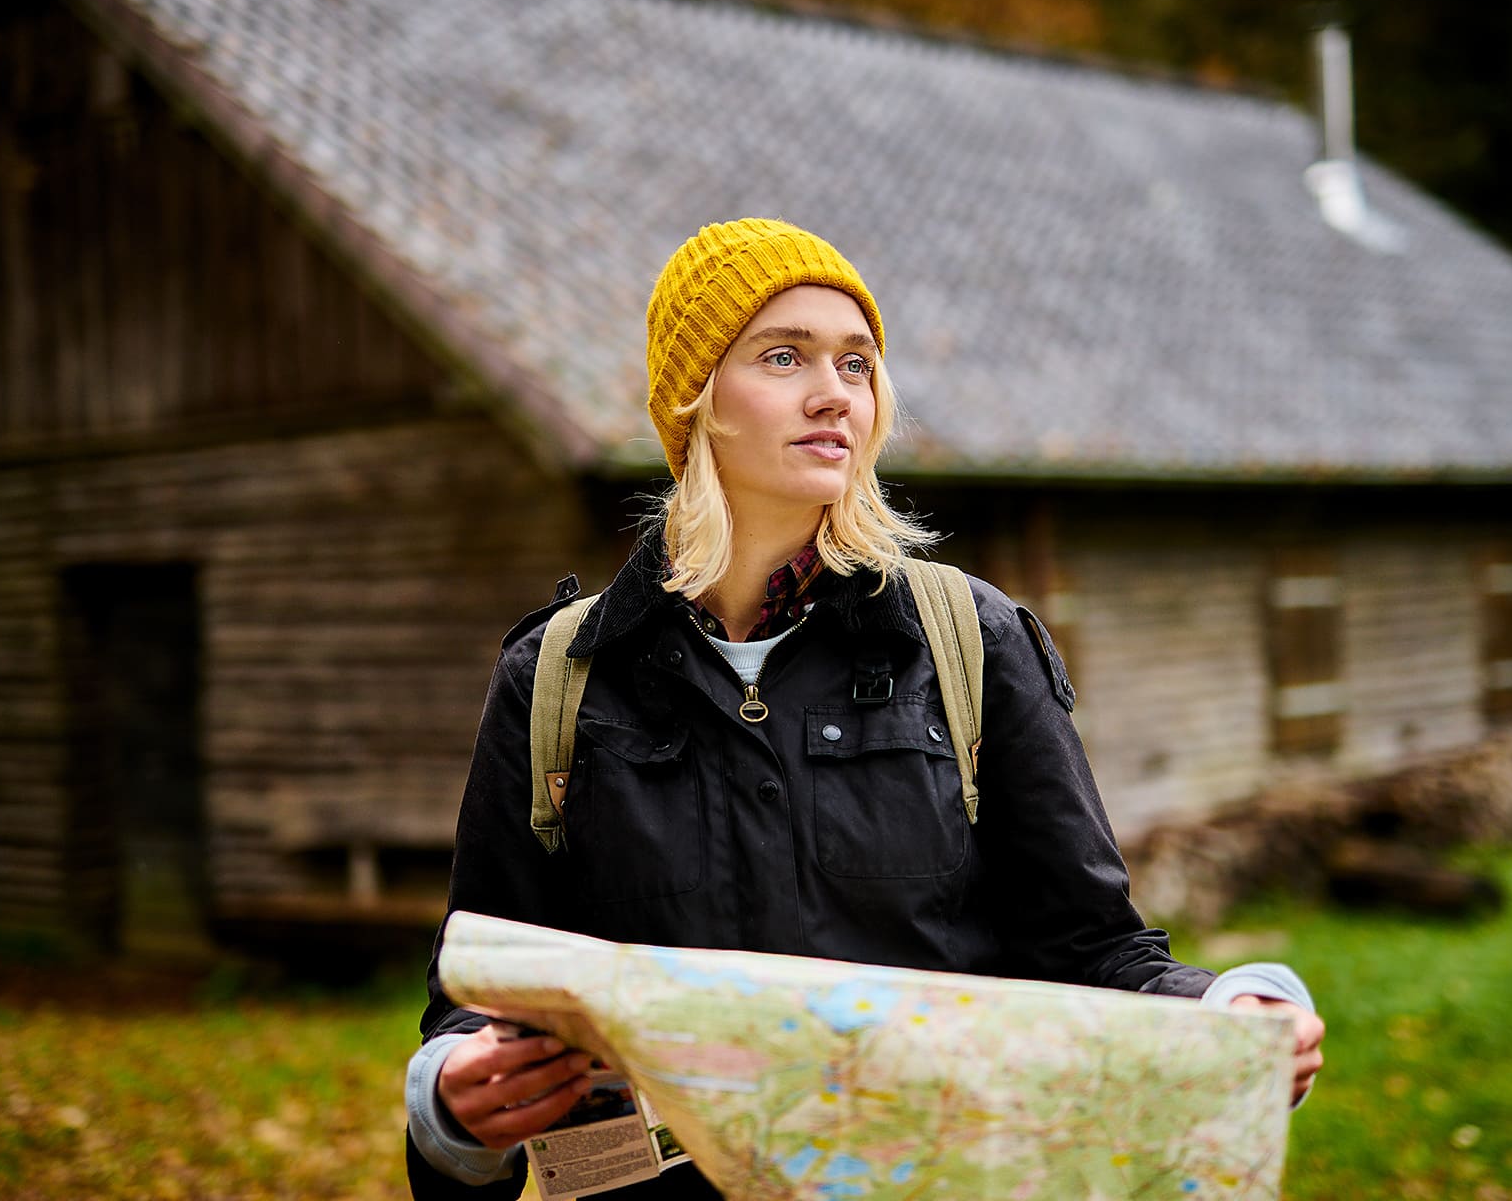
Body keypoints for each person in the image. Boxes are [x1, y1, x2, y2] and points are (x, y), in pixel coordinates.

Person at [405, 219, 1324, 1199]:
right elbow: (476, 1006)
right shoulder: (557, 677)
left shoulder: (971, 638)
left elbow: (1095, 947)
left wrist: (1232, 1001)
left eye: (857, 362)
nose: (833, 390)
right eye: (784, 354)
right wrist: (454, 1108)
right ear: (696, 398)